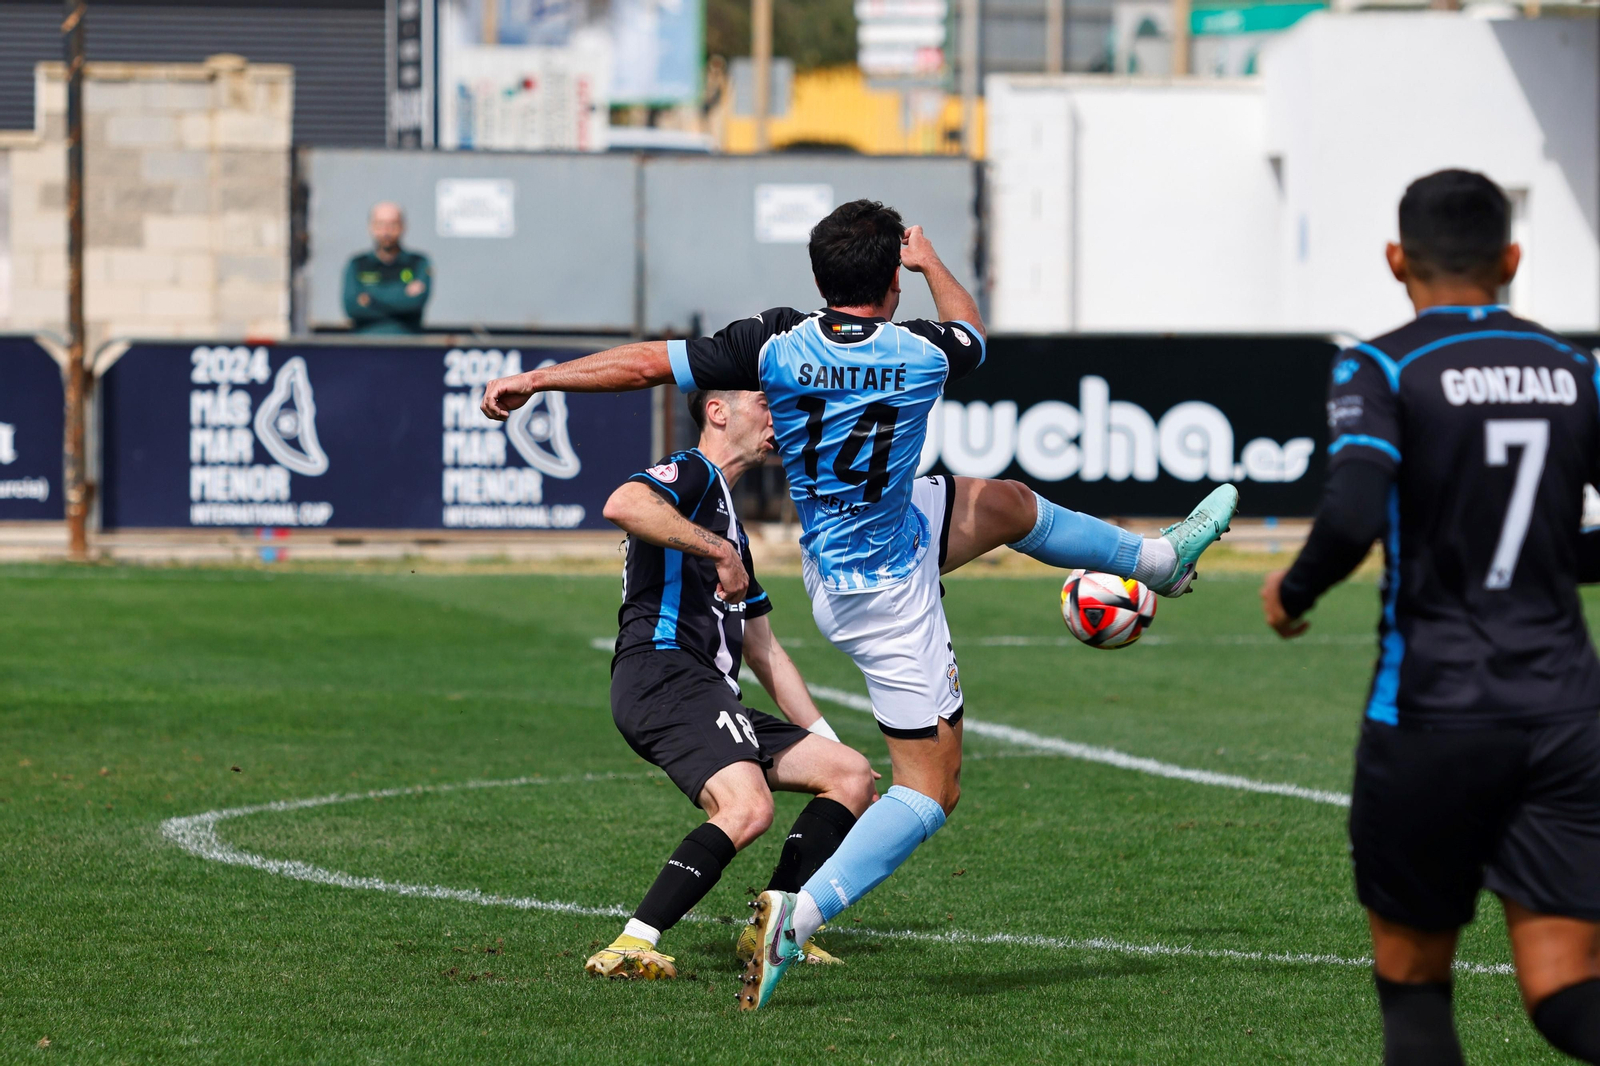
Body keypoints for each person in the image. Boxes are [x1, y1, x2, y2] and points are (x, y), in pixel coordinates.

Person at [482, 200, 1238, 1009]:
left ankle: (1157, 560)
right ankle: (794, 920)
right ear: (890, 279)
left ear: (819, 275)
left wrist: (537, 377)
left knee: (1009, 503)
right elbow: (972, 328)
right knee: (929, 789)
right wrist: (932, 261)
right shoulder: (920, 351)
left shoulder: (774, 341)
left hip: (856, 550)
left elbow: (642, 365)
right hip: (886, 591)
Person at [1260, 169, 1600, 1065]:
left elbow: (1356, 509)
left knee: (1415, 993)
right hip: (1567, 717)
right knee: (1567, 989)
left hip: (1433, 714)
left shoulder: (1381, 363)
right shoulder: (1574, 368)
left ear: (1395, 258)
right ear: (1513, 258)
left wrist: (1292, 593)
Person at [585, 387, 878, 980]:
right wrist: (719, 549)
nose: (779, 417)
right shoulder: (694, 474)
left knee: (850, 775)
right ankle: (630, 944)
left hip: (707, 688)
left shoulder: (731, 528)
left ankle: (770, 932)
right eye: (765, 403)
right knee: (747, 808)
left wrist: (828, 743)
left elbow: (767, 652)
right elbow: (623, 503)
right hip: (664, 672)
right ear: (718, 411)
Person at [342, 202, 431, 334]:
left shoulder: (418, 263)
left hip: (408, 346)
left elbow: (414, 304)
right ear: (370, 227)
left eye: (392, 224)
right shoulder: (357, 264)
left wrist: (370, 297)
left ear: (403, 226)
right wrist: (401, 295)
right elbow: (352, 308)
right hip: (365, 346)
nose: (386, 231)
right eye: (380, 224)